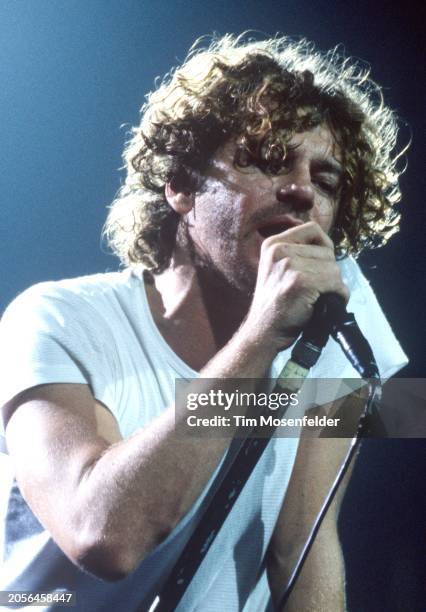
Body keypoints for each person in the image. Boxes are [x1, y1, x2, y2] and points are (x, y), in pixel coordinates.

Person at [0, 34, 408, 611]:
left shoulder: (331, 351)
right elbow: (105, 536)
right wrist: (260, 337)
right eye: (266, 160)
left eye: (326, 181)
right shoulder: (59, 320)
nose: (298, 189)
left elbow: (304, 554)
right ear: (181, 185)